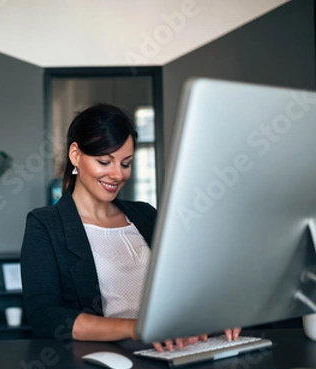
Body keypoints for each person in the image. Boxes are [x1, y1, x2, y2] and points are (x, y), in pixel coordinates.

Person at [20, 103, 240, 351]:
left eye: (125, 163)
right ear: (75, 155)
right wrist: (137, 328)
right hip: (104, 364)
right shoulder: (45, 224)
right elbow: (45, 316)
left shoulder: (146, 215)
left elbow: (185, 287)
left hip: (173, 352)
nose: (117, 174)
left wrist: (214, 315)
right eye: (105, 162)